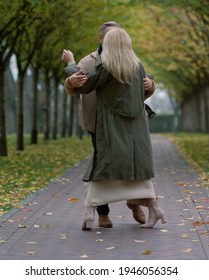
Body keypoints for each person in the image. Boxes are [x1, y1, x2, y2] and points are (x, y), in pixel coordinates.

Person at [64, 28, 166, 230]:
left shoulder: (107, 66)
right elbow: (140, 93)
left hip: (111, 126)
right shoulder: (137, 66)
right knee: (134, 168)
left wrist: (69, 64)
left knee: (102, 166)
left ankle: (90, 214)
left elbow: (85, 85)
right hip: (136, 128)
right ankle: (153, 208)